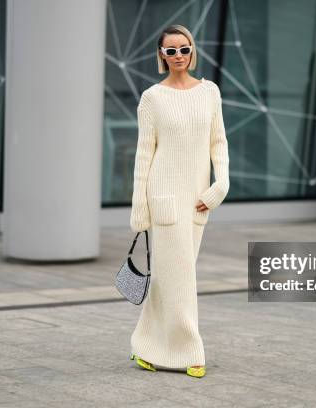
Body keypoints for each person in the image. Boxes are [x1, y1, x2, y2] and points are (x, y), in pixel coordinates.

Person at [128, 24, 230, 378]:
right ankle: (191, 352)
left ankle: (145, 345)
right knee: (181, 278)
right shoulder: (152, 98)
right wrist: (140, 207)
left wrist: (222, 185)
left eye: (183, 49)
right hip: (164, 198)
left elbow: (219, 142)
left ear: (192, 50)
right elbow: (144, 155)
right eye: (170, 51)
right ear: (161, 55)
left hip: (199, 201)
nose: (177, 56)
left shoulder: (210, 92)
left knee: (167, 279)